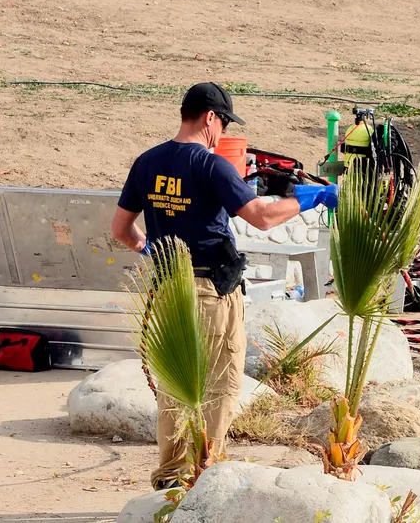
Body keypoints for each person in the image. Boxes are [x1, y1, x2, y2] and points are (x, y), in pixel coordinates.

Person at [110, 82, 338, 489]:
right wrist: (314, 199)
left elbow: (120, 230)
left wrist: (154, 251)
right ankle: (205, 476)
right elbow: (261, 217)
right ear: (210, 117)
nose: (224, 133)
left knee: (174, 389)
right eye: (224, 123)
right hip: (211, 292)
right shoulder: (211, 165)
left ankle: (170, 478)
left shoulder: (147, 162)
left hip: (167, 289)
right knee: (218, 386)